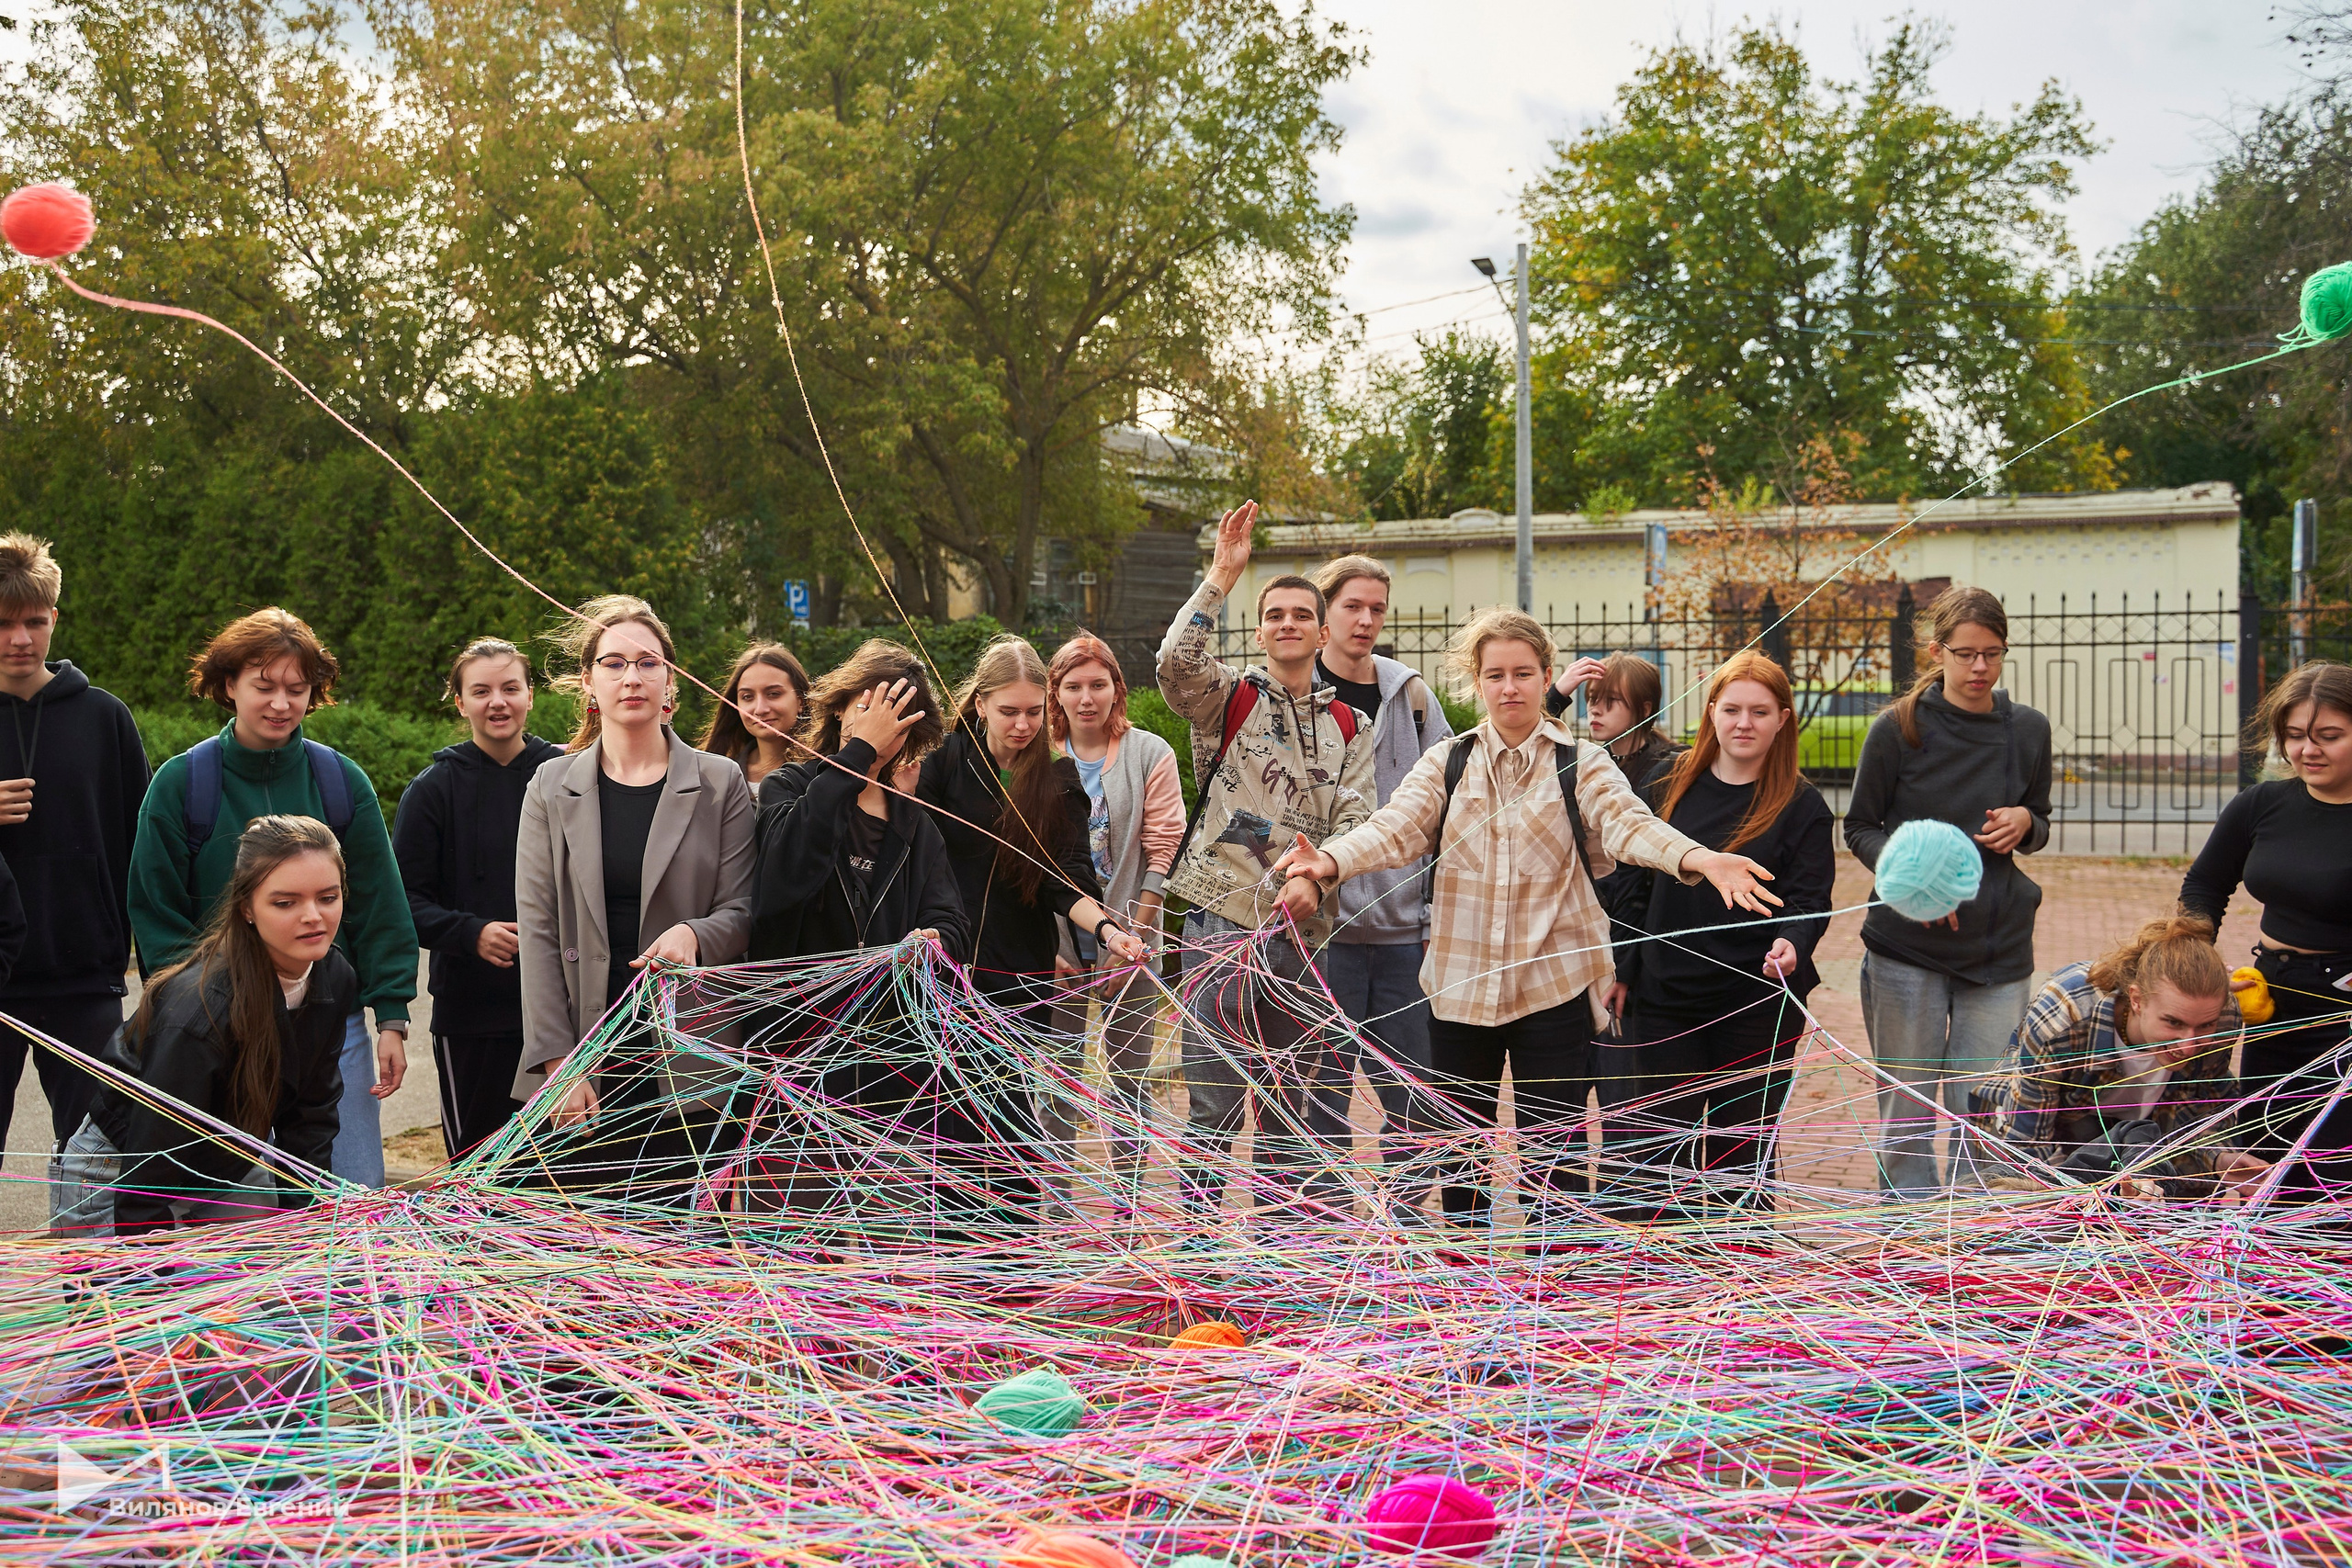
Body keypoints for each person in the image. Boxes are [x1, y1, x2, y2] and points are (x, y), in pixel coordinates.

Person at [1276, 609, 1779, 1240]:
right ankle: (1470, 1283)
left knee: (1556, 1158)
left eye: (1522, 673)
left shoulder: (1584, 763)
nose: (1509, 687)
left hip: (1554, 989)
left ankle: (1556, 1288)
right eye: (1494, 675)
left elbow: (1628, 824)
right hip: (1459, 989)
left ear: (1546, 676)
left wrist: (1699, 858)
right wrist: (1329, 860)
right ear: (1476, 683)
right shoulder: (1448, 762)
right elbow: (1395, 828)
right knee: (1460, 1158)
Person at [126, 608, 415, 1189]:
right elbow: (155, 910)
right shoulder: (182, 785)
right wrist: (199, 1011)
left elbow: (380, 903)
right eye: (264, 686)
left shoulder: (342, 783)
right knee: (219, 1202)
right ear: (229, 685)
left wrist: (391, 1014)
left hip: (329, 1024)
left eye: (297, 688)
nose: (281, 703)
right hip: (216, 1026)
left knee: (347, 1194)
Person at [1157, 501, 1378, 1222]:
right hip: (1221, 924)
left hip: (1304, 935)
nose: (1287, 623)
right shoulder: (1229, 698)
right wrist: (1221, 575)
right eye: (1274, 613)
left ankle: (1293, 1261)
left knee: (1297, 1108)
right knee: (1215, 1104)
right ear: (1259, 629)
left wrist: (1319, 875)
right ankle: (1197, 1255)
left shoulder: (1352, 723)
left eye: (1300, 614)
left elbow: (1358, 817)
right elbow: (1174, 664)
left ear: (1321, 630)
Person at [514, 596, 755, 1199]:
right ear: (590, 682)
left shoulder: (720, 781)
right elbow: (537, 930)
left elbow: (744, 910)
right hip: (585, 1055)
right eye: (614, 662)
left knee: (687, 1258)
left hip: (690, 1056)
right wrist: (556, 1063)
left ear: (671, 679)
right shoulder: (549, 783)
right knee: (590, 1259)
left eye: (647, 663)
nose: (632, 677)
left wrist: (696, 935)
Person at [912, 637, 1148, 1223]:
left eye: (1033, 712)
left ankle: (1012, 1246)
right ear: (979, 705)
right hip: (940, 958)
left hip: (1019, 968)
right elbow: (912, 851)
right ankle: (946, 1248)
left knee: (1011, 1111)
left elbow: (1066, 881)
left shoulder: (1059, 777)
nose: (1022, 725)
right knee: (941, 1110)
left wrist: (1110, 931)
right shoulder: (943, 762)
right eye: (1007, 711)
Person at [1595, 652, 1835, 1223]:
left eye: (1758, 711)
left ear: (1782, 719)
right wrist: (1624, 966)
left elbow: (1810, 901)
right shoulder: (1667, 785)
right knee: (1654, 1153)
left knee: (1739, 1159)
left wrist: (1794, 944)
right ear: (1711, 714)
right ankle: (1652, 1280)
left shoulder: (1802, 804)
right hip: (1664, 998)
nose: (1743, 723)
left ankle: (1739, 1287)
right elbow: (1631, 880)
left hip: (1756, 1004)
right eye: (1732, 710)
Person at [749, 641, 970, 1227]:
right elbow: (782, 881)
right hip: (794, 1050)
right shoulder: (791, 789)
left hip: (889, 1058)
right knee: (792, 1234)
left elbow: (952, 920)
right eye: (867, 705)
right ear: (842, 706)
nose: (876, 723)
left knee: (882, 1240)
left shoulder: (915, 826)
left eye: (895, 716)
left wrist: (933, 941)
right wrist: (856, 754)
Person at [1842, 585, 2052, 1200]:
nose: (1979, 667)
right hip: (1906, 946)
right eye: (1965, 653)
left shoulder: (2029, 730)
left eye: (1992, 653)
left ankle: (1973, 1240)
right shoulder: (1897, 729)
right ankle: (1906, 1239)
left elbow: (2039, 819)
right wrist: (1912, 884)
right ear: (1938, 651)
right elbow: (1859, 827)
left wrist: (2025, 823)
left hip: (1998, 949)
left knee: (1984, 1112)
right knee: (1907, 1110)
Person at [53, 817, 352, 1236]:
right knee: (151, 1301)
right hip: (125, 1172)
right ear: (247, 908)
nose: (313, 916)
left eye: (328, 897)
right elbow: (151, 1161)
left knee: (269, 1294)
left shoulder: (334, 976)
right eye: (285, 903)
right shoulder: (200, 1010)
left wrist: (307, 1227)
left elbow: (311, 1117)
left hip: (228, 1159)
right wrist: (148, 1273)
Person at [1309, 555, 1453, 1218]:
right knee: (1317, 1099)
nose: (1365, 620)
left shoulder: (1413, 696)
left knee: (1416, 1099)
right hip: (1319, 938)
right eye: (1352, 606)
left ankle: (1397, 1224)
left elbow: (1458, 789)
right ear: (1324, 612)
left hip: (1402, 933)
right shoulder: (1289, 692)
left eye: (1376, 608)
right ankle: (1331, 1233)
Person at [2179, 660, 2352, 1201]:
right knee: (2263, 1164)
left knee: (2331, 1173)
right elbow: (2204, 886)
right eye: (2295, 736)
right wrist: (2193, 961)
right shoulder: (2262, 804)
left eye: (2329, 736)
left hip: (2344, 1008)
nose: (2308, 751)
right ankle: (2267, 1281)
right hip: (2270, 1002)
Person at [0, 534, 145, 1171]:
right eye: (3, 623)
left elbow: (141, 847)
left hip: (84, 979)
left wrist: (144, 957)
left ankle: (90, 1278)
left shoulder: (104, 717)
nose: (20, 638)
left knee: (91, 1158)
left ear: (54, 617)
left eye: (34, 621)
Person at [390, 638, 564, 1158]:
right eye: (481, 690)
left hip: (564, 1014)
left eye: (511, 688)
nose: (498, 702)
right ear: (460, 702)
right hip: (473, 1015)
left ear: (530, 696)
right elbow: (404, 902)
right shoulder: (433, 790)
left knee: (566, 1172)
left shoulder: (567, 777)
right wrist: (470, 933)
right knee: (481, 1171)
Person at [1979, 915, 2266, 1201]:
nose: (2190, 1045)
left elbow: (2204, 1110)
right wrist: (2039, 1203)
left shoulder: (2223, 1017)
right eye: (2173, 1023)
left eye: (2205, 1026)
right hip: (2057, 1125)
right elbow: (2027, 1142)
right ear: (2137, 999)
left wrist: (2217, 1158)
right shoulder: (2065, 1015)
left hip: (2146, 1137)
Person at [1043, 634, 1183, 1207]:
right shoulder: (1039, 757)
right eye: (1072, 686)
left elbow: (1163, 849)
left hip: (1130, 940)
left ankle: (1126, 1201)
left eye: (1098, 685)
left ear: (1116, 689)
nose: (1086, 698)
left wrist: (1135, 934)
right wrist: (1048, 943)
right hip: (1055, 943)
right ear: (1055, 693)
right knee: (1055, 1076)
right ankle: (1048, 1198)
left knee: (1130, 1078)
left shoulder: (1150, 754)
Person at [700, 642, 810, 788]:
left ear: (801, 701)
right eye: (747, 697)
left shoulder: (823, 772)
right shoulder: (714, 776)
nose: (760, 709)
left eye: (773, 694)